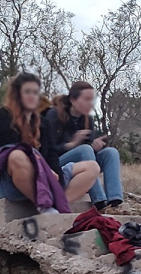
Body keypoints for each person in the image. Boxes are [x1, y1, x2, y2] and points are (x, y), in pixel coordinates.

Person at [0, 73, 99, 211]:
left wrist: (57, 177)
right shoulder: (5, 115)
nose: (32, 96)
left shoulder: (43, 121)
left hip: (44, 179)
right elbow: (1, 153)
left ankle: (58, 205)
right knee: (16, 155)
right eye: (27, 92)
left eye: (35, 92)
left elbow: (52, 155)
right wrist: (40, 168)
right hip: (13, 183)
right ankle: (44, 206)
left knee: (92, 167)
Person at [45, 81, 124, 211]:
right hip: (57, 164)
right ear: (73, 100)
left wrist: (95, 146)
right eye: (86, 99)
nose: (90, 104)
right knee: (85, 149)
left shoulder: (87, 120)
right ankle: (99, 200)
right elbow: (47, 150)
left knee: (111, 152)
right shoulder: (54, 115)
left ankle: (115, 201)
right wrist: (71, 144)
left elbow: (88, 150)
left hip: (84, 163)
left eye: (92, 100)